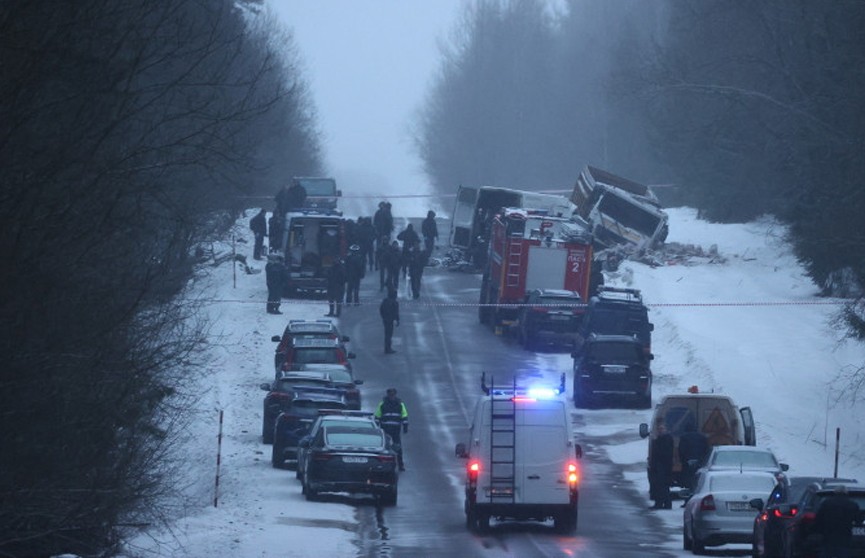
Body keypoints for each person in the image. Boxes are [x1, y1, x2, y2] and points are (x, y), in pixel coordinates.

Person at [815, 485, 860, 558]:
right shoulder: (852, 505)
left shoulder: (826, 503)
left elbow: (818, 518)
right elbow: (858, 520)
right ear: (846, 493)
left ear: (835, 492)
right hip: (845, 535)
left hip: (828, 535)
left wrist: (817, 530)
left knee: (827, 553)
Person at [374, 388, 408, 471]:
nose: (392, 396)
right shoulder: (384, 404)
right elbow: (377, 416)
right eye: (391, 394)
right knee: (387, 446)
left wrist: (405, 426)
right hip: (387, 429)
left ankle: (400, 464)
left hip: (393, 429)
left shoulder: (398, 404)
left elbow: (404, 415)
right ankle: (386, 464)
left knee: (397, 447)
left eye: (393, 394)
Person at [678, 420, 709, 493]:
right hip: (700, 462)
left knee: (689, 481)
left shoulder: (684, 437)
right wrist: (703, 460)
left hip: (687, 463)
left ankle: (689, 497)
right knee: (698, 480)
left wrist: (683, 460)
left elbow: (681, 450)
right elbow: (706, 450)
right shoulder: (702, 437)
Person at [649, 421, 674, 509]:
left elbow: (663, 452)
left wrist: (656, 441)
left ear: (666, 429)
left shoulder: (666, 439)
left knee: (661, 486)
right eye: (659, 429)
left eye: (662, 429)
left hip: (663, 467)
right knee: (660, 486)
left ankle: (661, 504)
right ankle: (664, 504)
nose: (660, 431)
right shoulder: (661, 439)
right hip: (659, 466)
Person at [379, 288, 399, 354]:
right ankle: (388, 348)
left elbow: (381, 310)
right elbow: (396, 313)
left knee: (386, 334)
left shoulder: (385, 301)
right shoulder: (395, 303)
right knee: (389, 335)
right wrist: (397, 320)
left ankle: (387, 348)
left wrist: (383, 317)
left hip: (385, 320)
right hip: (390, 320)